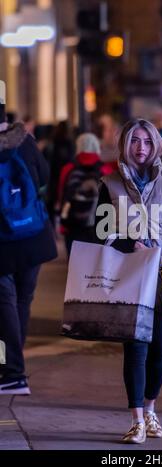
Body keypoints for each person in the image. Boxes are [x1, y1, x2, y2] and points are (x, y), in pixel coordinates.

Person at [94, 119, 162, 444]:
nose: (141, 148)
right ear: (125, 145)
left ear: (155, 145)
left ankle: (150, 410)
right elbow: (100, 232)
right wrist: (130, 244)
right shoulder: (110, 184)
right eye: (135, 141)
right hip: (130, 277)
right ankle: (136, 421)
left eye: (146, 141)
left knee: (160, 350)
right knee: (135, 350)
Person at [0, 81, 57, 395]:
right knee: (22, 299)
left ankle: (13, 371)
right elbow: (44, 177)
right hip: (34, 233)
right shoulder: (25, 142)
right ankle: (12, 366)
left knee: (4, 301)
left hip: (4, 240)